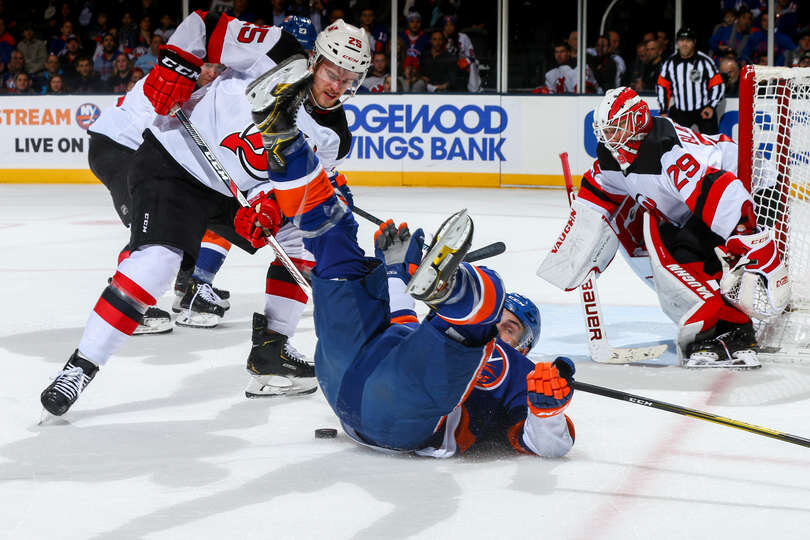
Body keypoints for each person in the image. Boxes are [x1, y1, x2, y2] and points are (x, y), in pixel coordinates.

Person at [230, 70, 576, 456]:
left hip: (399, 418)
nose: (500, 327)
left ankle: (446, 287)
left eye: (510, 328)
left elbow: (547, 446)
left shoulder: (518, 371)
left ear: (525, 346)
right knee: (335, 234)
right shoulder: (432, 336)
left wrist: (547, 412)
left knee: (490, 289)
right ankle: (281, 136)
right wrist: (393, 270)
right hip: (348, 374)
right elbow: (402, 322)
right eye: (501, 320)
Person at [39, 13, 369, 416]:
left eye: (349, 78)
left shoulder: (335, 134)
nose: (337, 86)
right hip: (175, 162)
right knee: (159, 262)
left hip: (233, 192)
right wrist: (174, 67)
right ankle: (80, 367)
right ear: (316, 59)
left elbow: (290, 187)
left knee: (301, 237)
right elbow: (203, 25)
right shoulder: (275, 48)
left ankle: (272, 353)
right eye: (333, 71)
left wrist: (269, 204)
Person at [537, 87, 789, 369]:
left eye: (617, 129)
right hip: (700, 205)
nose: (610, 139)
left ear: (637, 121)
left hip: (753, 187)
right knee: (683, 255)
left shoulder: (668, 150)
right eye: (605, 131)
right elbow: (600, 188)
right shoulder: (616, 155)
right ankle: (716, 329)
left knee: (706, 256)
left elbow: (718, 191)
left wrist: (745, 236)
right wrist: (580, 234)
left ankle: (737, 332)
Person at [657, 27, 724, 134]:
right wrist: (663, 110)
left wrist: (711, 106)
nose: (684, 44)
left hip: (703, 110)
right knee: (676, 145)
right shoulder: (670, 63)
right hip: (680, 112)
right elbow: (662, 87)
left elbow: (718, 85)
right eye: (681, 40)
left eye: (688, 41)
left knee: (711, 143)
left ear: (694, 43)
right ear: (677, 43)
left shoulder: (705, 61)